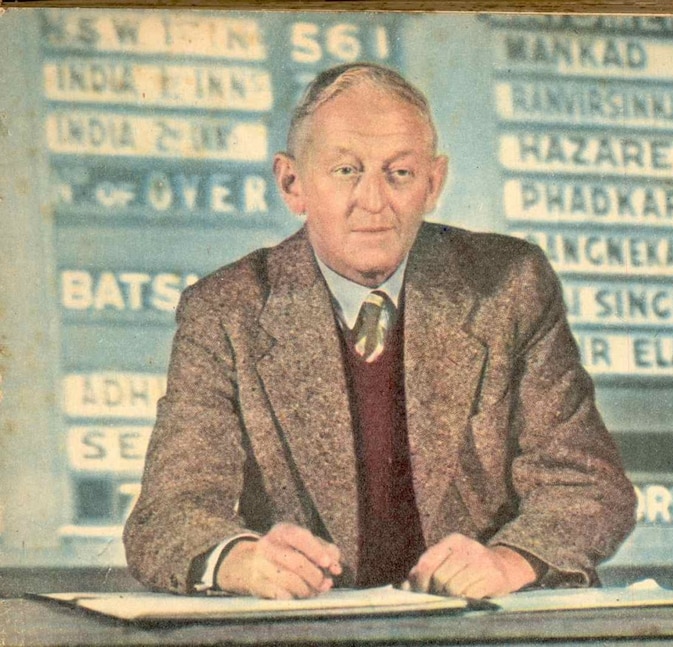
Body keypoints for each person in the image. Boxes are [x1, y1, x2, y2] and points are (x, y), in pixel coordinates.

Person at [123, 62, 636, 600]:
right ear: (292, 184)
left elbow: (588, 485)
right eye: (346, 171)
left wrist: (510, 562)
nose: (373, 201)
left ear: (433, 184)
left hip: (477, 633)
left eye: (400, 174)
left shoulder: (508, 285)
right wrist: (242, 561)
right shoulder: (226, 311)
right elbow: (166, 515)